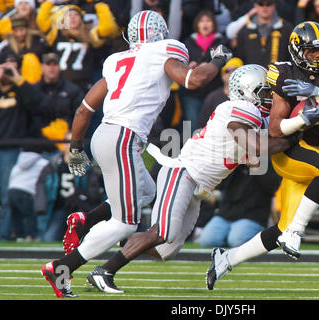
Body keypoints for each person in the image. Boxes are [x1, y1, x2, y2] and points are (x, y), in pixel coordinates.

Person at [40, 10, 233, 298]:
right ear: (161, 33)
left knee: (146, 190)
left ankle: (86, 220)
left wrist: (77, 147)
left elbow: (84, 109)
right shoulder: (166, 50)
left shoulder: (117, 60)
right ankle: (61, 268)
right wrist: (218, 60)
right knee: (126, 222)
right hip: (123, 139)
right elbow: (193, 80)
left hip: (103, 135)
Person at [84, 64, 292, 294]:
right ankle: (104, 271)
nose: (269, 97)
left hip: (197, 184)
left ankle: (123, 238)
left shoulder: (253, 116)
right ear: (246, 92)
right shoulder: (241, 108)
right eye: (264, 91)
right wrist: (291, 138)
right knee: (163, 232)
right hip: (183, 172)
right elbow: (256, 146)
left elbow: (255, 157)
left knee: (165, 250)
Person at [205, 21, 319, 290]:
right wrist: (302, 120)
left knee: (281, 230)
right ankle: (296, 232)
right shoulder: (283, 73)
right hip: (290, 150)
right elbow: (274, 129)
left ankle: (225, 259)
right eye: (311, 51)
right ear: (297, 51)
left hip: (312, 152)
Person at [0, 52, 38, 240]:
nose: (9, 69)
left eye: (13, 65)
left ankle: (4, 236)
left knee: (6, 199)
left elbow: (36, 102)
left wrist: (17, 78)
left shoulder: (21, 89)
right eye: (5, 65)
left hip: (10, 150)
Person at [36, 1, 120, 91]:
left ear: (81, 19)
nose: (73, 18)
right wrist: (49, 2)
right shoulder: (56, 34)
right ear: (63, 19)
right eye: (69, 15)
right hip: (60, 83)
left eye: (76, 15)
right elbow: (42, 22)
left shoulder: (90, 35)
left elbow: (106, 29)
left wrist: (99, 5)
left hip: (83, 84)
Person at [198, 162, 281, 248]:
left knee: (236, 240)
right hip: (226, 213)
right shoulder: (235, 158)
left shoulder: (265, 159)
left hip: (253, 215)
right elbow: (221, 185)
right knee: (207, 241)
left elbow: (272, 188)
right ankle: (229, 235)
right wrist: (233, 164)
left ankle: (254, 235)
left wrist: (256, 167)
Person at [179, 9, 228, 133]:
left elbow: (227, 63)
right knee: (193, 126)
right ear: (197, 24)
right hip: (192, 93)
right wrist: (188, 66)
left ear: (214, 24)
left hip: (213, 90)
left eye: (208, 21)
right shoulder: (188, 42)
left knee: (213, 126)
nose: (205, 24)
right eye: (202, 21)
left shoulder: (221, 42)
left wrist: (211, 66)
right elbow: (179, 64)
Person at [233, 0, 293, 67]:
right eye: (260, 4)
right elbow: (238, 57)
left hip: (280, 75)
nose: (264, 7)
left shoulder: (287, 28)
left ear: (274, 5)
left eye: (268, 4)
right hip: (251, 75)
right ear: (255, 6)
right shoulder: (244, 30)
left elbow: (291, 57)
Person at [0, 17, 47, 84]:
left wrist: (18, 59)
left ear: (27, 29)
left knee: (30, 58)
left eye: (21, 30)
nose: (19, 34)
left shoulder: (36, 41)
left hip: (38, 80)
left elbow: (42, 55)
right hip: (15, 82)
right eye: (16, 31)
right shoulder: (6, 48)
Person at [196, 56, 243, 129]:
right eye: (227, 71)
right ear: (222, 76)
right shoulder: (212, 98)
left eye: (235, 70)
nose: (231, 73)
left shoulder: (248, 97)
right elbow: (202, 124)